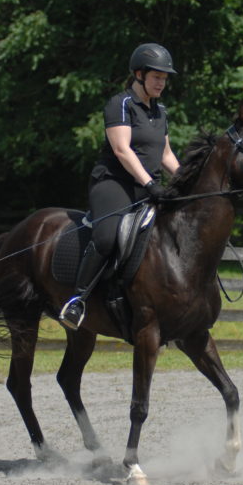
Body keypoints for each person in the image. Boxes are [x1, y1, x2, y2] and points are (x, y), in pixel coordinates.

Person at [58, 43, 181, 330]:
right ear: (139, 74)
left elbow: (165, 155)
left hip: (150, 186)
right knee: (107, 237)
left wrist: (186, 181)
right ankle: (77, 300)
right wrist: (149, 183)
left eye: (164, 78)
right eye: (156, 77)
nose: (161, 83)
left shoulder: (160, 111)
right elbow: (122, 150)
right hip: (115, 183)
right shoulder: (121, 104)